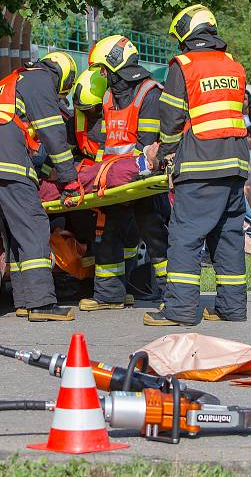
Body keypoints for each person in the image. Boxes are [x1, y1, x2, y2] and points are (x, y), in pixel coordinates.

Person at [144, 4, 250, 327]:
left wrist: (162, 153)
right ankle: (232, 308)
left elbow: (172, 118)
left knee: (185, 236)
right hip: (235, 164)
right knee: (229, 237)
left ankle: (180, 310)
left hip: (201, 165)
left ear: (187, 35)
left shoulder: (184, 66)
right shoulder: (234, 65)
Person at [0, 51, 80, 322]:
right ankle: (41, 303)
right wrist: (69, 180)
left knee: (18, 228)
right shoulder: (40, 81)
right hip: (8, 158)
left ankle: (24, 300)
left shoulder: (15, 80)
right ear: (62, 76)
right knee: (34, 224)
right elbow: (53, 134)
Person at [79, 34, 169, 312]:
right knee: (106, 234)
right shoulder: (108, 96)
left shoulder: (149, 93)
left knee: (154, 235)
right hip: (112, 182)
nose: (102, 75)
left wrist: (124, 171)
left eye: (104, 70)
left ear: (115, 66)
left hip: (141, 180)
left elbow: (148, 144)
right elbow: (106, 144)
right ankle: (109, 295)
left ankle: (171, 296)